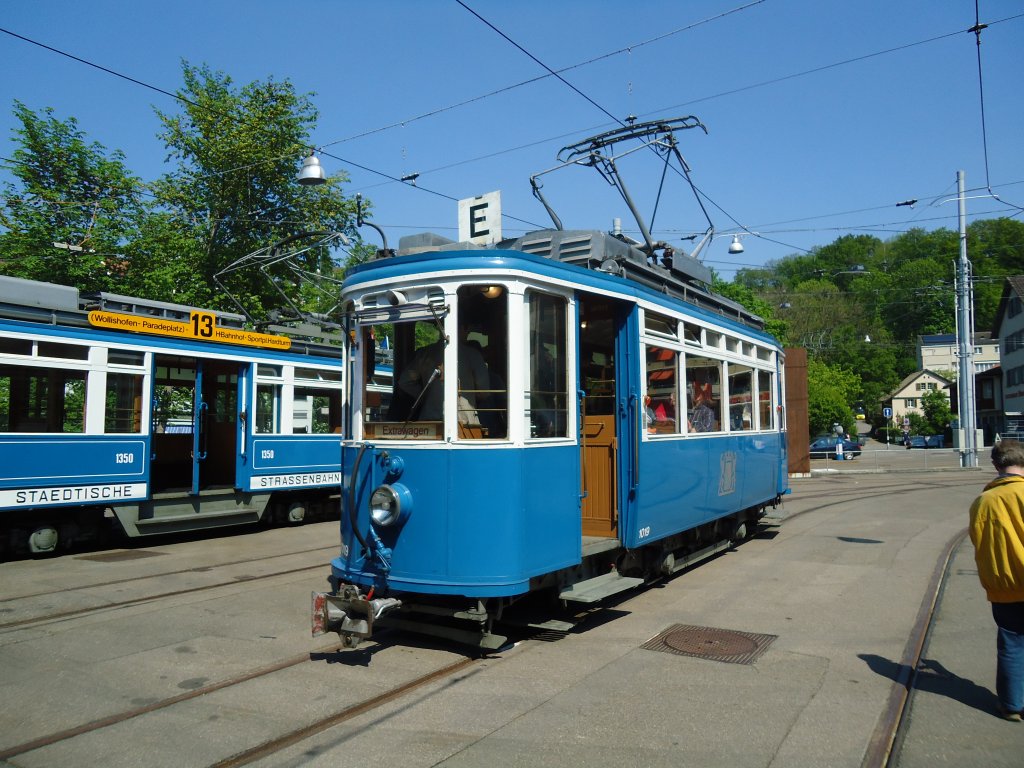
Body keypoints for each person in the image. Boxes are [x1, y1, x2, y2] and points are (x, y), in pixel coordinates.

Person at [968, 439, 1024, 721]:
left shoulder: (984, 501)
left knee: (1011, 642)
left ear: (995, 465)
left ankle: (1012, 705)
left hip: (1005, 586)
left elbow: (979, 543)